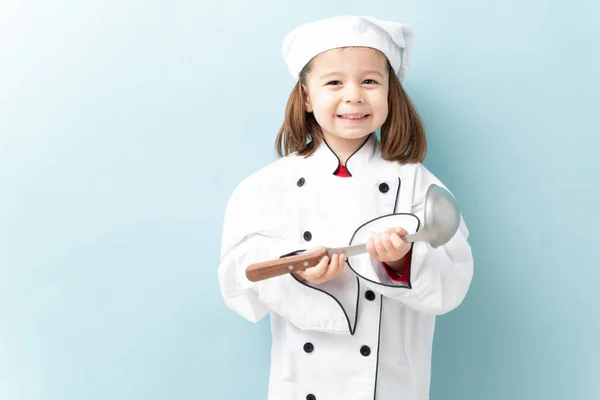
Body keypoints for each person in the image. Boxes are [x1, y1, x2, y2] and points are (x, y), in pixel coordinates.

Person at [217, 15, 474, 400]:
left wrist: (400, 263)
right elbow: (238, 281)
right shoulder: (266, 188)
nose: (354, 95)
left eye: (369, 81)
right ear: (306, 96)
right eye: (334, 82)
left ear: (391, 93)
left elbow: (452, 281)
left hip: (391, 386)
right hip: (302, 385)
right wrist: (295, 267)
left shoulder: (420, 184)